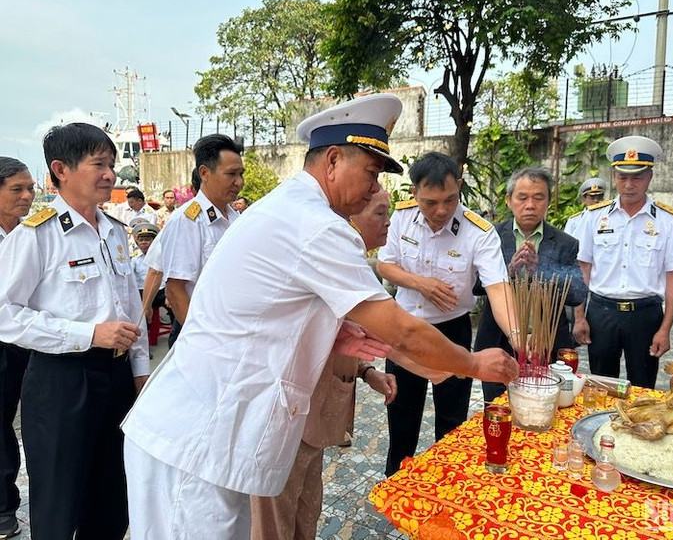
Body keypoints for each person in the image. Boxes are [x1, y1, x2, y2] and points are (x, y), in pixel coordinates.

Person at [121, 94, 516, 538]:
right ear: (332, 160)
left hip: (208, 433)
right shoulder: (317, 225)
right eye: (370, 173)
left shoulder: (291, 209)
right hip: (196, 440)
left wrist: (331, 335)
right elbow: (401, 330)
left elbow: (278, 310)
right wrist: (474, 363)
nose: (374, 189)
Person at [0, 123, 149, 539]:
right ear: (61, 169)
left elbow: (131, 306)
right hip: (62, 381)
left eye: (112, 165)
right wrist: (86, 334)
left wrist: (140, 370)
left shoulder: (115, 232)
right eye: (99, 164)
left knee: (112, 495)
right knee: (59, 500)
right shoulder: (36, 236)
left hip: (116, 377)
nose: (110, 175)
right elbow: (5, 314)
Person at [250, 189, 399, 540]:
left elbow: (341, 336)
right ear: (352, 215)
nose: (388, 221)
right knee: (275, 521)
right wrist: (462, 362)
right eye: (379, 213)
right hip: (289, 416)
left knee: (307, 511)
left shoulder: (357, 266)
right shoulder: (321, 262)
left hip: (317, 420)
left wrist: (368, 371)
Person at [377, 151, 516, 477]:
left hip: (452, 330)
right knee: (401, 416)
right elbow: (384, 264)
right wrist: (419, 283)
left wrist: (518, 337)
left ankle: (448, 486)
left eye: (450, 200)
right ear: (414, 194)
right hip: (404, 328)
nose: (441, 210)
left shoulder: (478, 231)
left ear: (460, 187)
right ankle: (397, 480)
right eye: (430, 202)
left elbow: (498, 287)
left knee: (452, 420)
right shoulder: (401, 217)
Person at [573, 135, 673, 389]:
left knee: (643, 386)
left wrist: (666, 328)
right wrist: (579, 317)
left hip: (646, 315)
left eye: (637, 177)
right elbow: (583, 268)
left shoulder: (668, 221)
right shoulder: (594, 217)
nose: (629, 184)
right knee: (603, 386)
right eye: (622, 177)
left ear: (649, 177)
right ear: (614, 176)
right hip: (602, 313)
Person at [474, 168, 588, 402]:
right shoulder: (490, 236)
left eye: (538, 197)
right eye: (522, 197)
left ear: (548, 201)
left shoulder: (565, 243)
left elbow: (577, 293)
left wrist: (541, 273)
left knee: (546, 409)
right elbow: (475, 286)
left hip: (546, 344)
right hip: (500, 342)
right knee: (499, 408)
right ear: (509, 200)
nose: (530, 205)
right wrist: (506, 272)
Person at [159, 134, 244, 347]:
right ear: (205, 173)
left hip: (234, 331)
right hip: (203, 335)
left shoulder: (237, 219)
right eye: (231, 174)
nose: (239, 182)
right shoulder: (187, 220)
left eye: (241, 174)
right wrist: (202, 343)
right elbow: (176, 290)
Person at [0, 157, 35, 538]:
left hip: (30, 344)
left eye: (30, 189)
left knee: (35, 424)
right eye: (16, 189)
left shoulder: (33, 236)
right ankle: (4, 508)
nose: (26, 197)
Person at [130, 221, 167, 311]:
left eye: (147, 240)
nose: (143, 243)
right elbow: (131, 278)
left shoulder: (163, 256)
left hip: (160, 290)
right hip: (141, 291)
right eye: (141, 240)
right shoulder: (134, 258)